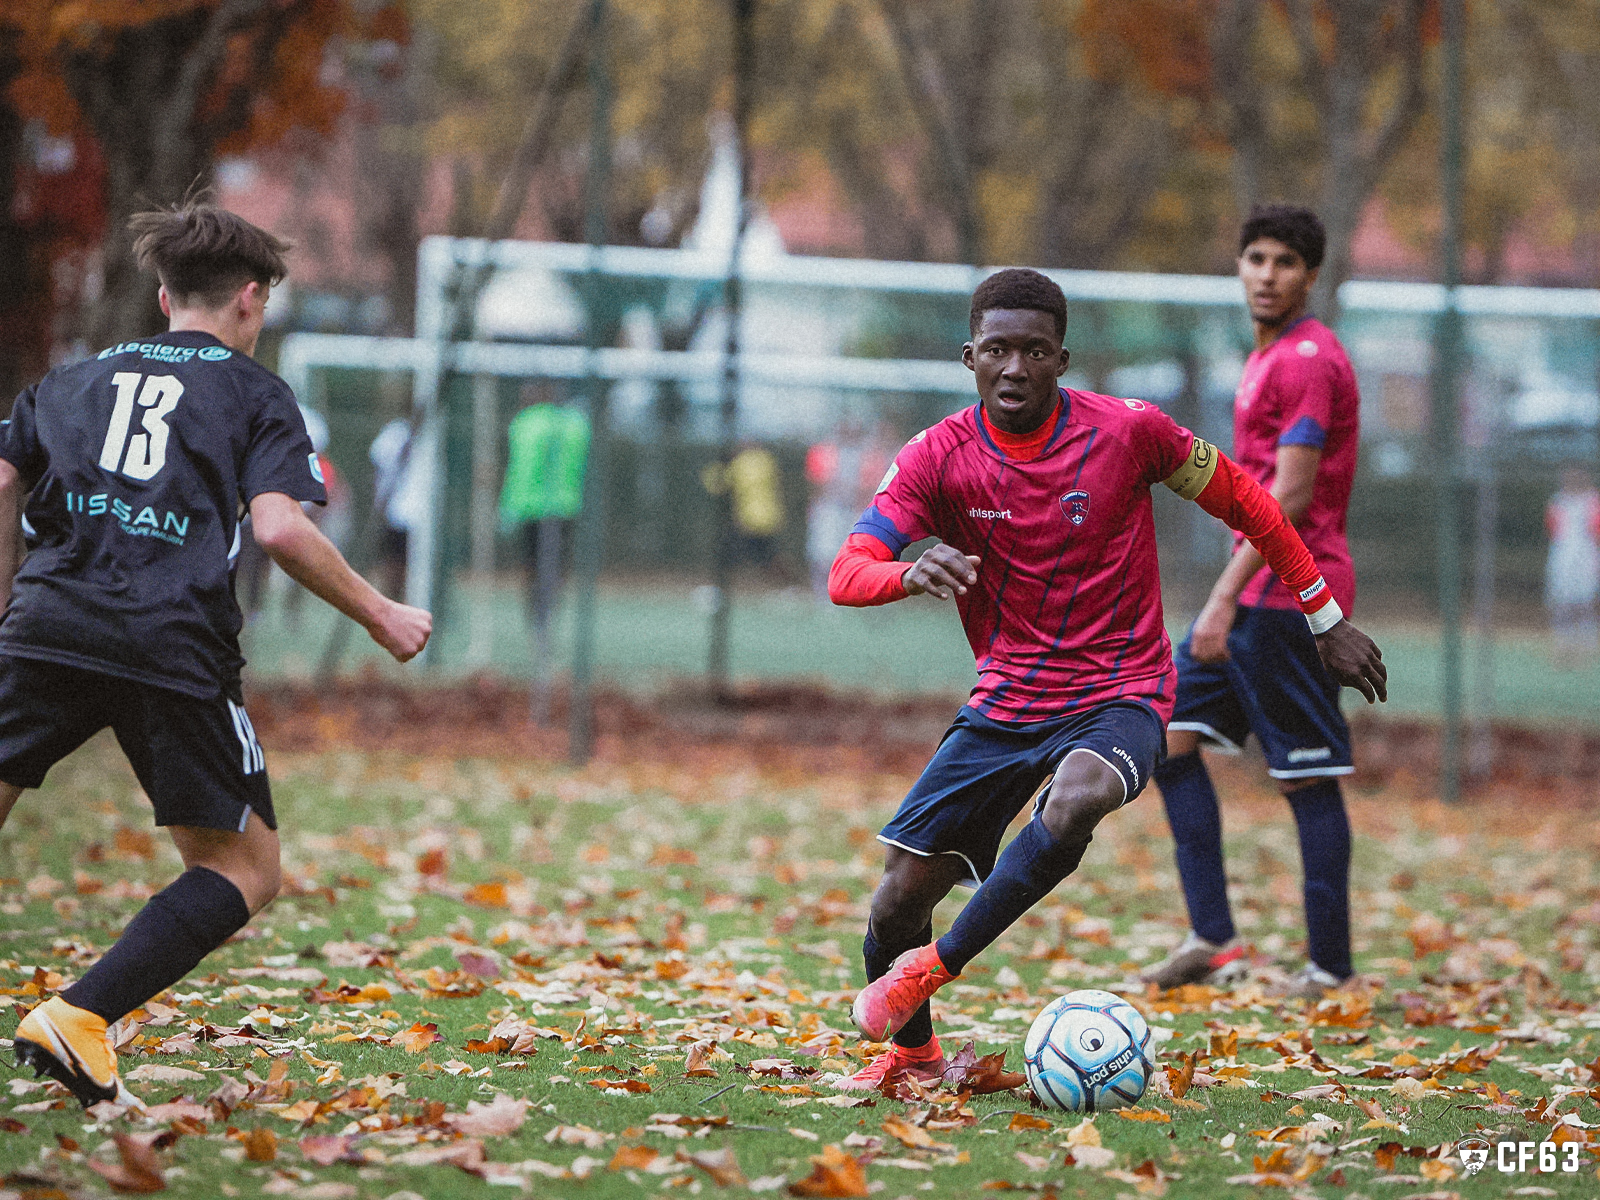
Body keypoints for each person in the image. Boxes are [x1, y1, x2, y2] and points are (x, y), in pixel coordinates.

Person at [828, 268, 1386, 1090]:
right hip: (1007, 697)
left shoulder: (1130, 432)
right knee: (894, 904)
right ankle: (913, 1057)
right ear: (968, 356)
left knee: (1080, 795)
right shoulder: (936, 455)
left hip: (1122, 687)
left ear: (1062, 358)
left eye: (1033, 351)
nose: (1013, 367)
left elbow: (1253, 505)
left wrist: (1324, 618)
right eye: (996, 351)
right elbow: (847, 570)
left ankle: (931, 968)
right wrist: (907, 573)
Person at [0, 202, 431, 1108]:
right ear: (249, 298)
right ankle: (79, 1016)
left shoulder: (71, 381)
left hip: (47, 625)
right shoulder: (255, 394)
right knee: (244, 869)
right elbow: (277, 527)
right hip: (171, 644)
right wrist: (379, 612)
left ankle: (76, 1026)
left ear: (162, 297)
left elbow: (3, 477)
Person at [1143, 205, 1364, 999]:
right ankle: (1213, 936)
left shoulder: (1309, 358)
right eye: (1256, 259)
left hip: (1293, 597)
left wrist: (1220, 602)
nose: (1267, 275)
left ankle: (1330, 970)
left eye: (1285, 263)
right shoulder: (1266, 355)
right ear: (1239, 266)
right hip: (1255, 592)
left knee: (1305, 775)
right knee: (1165, 737)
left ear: (1311, 275)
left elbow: (1293, 496)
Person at [1545, 465, 1600, 660]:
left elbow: (1596, 528)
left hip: (1586, 554)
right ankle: (1563, 647)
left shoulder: (1593, 500)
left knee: (1585, 602)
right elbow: (1552, 528)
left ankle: (1586, 648)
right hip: (1562, 554)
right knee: (1562, 602)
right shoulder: (1558, 500)